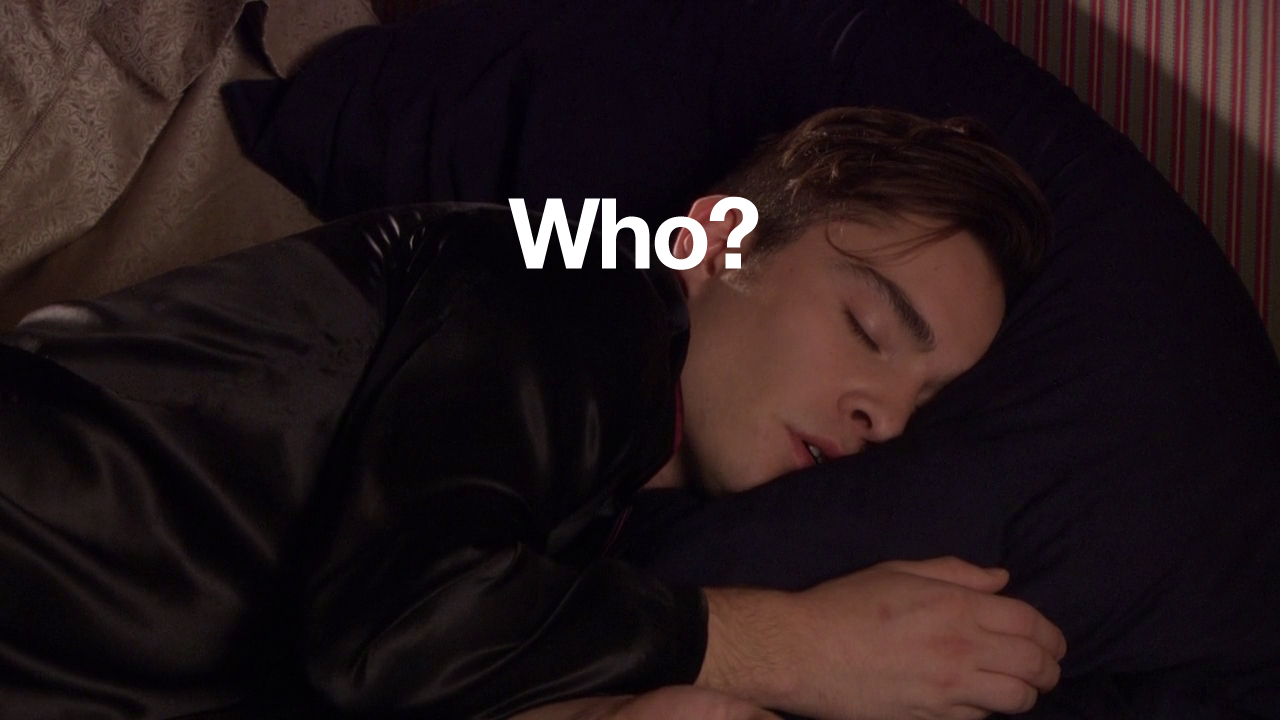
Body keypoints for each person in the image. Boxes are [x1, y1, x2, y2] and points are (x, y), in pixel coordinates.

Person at [0, 108, 1060, 720]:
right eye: (870, 329)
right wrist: (784, 643)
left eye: (925, 400)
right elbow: (396, 631)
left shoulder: (598, 500)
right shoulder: (573, 275)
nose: (886, 415)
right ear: (711, 243)